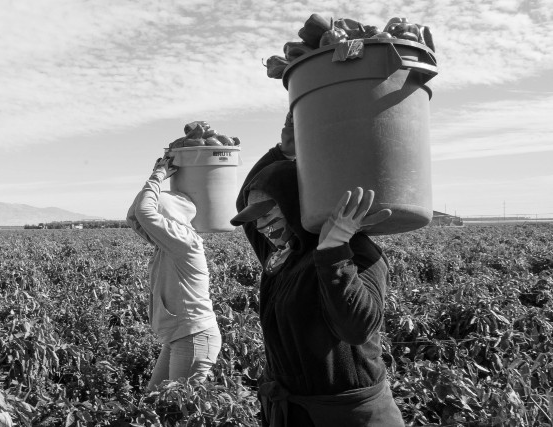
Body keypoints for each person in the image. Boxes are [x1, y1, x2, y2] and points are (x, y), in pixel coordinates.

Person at [230, 111, 405, 426]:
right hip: (293, 412)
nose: (262, 227)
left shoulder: (358, 251)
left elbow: (356, 328)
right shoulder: (287, 251)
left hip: (347, 416)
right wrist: (282, 150)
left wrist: (335, 248)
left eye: (269, 215)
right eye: (255, 219)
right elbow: (246, 203)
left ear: (297, 205)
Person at [126, 155, 221, 391]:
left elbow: (145, 213)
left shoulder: (184, 241)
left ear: (169, 218)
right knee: (154, 401)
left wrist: (158, 176)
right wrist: (154, 182)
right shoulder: (167, 244)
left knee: (177, 410)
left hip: (195, 336)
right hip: (181, 336)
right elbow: (135, 216)